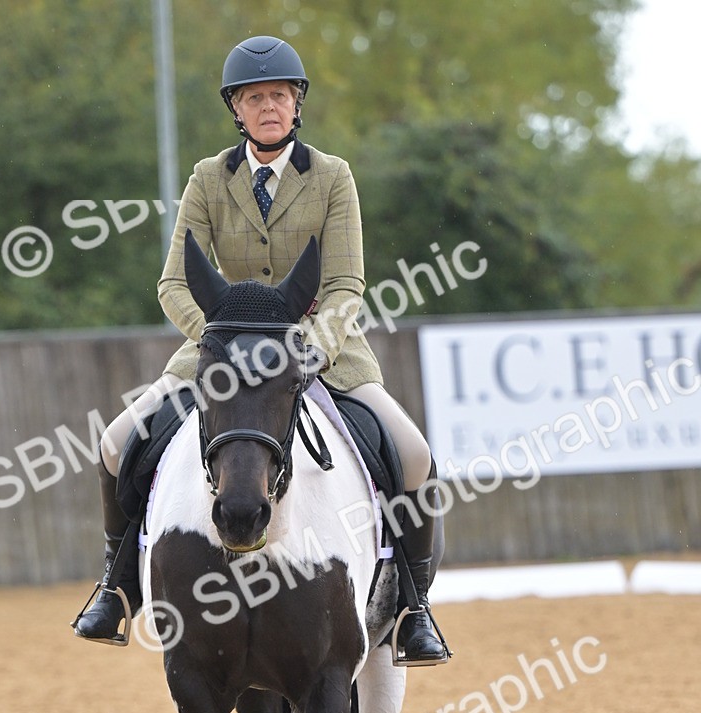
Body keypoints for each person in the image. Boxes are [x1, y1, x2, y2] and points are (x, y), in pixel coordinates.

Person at [74, 35, 448, 665]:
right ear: (237, 111)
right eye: (255, 97)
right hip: (218, 353)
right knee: (115, 444)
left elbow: (346, 284)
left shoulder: (333, 177)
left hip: (321, 351)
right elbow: (172, 283)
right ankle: (115, 587)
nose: (268, 105)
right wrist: (219, 343)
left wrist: (303, 349)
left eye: (279, 95)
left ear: (296, 105)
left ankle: (415, 606)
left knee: (413, 455)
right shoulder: (207, 180)